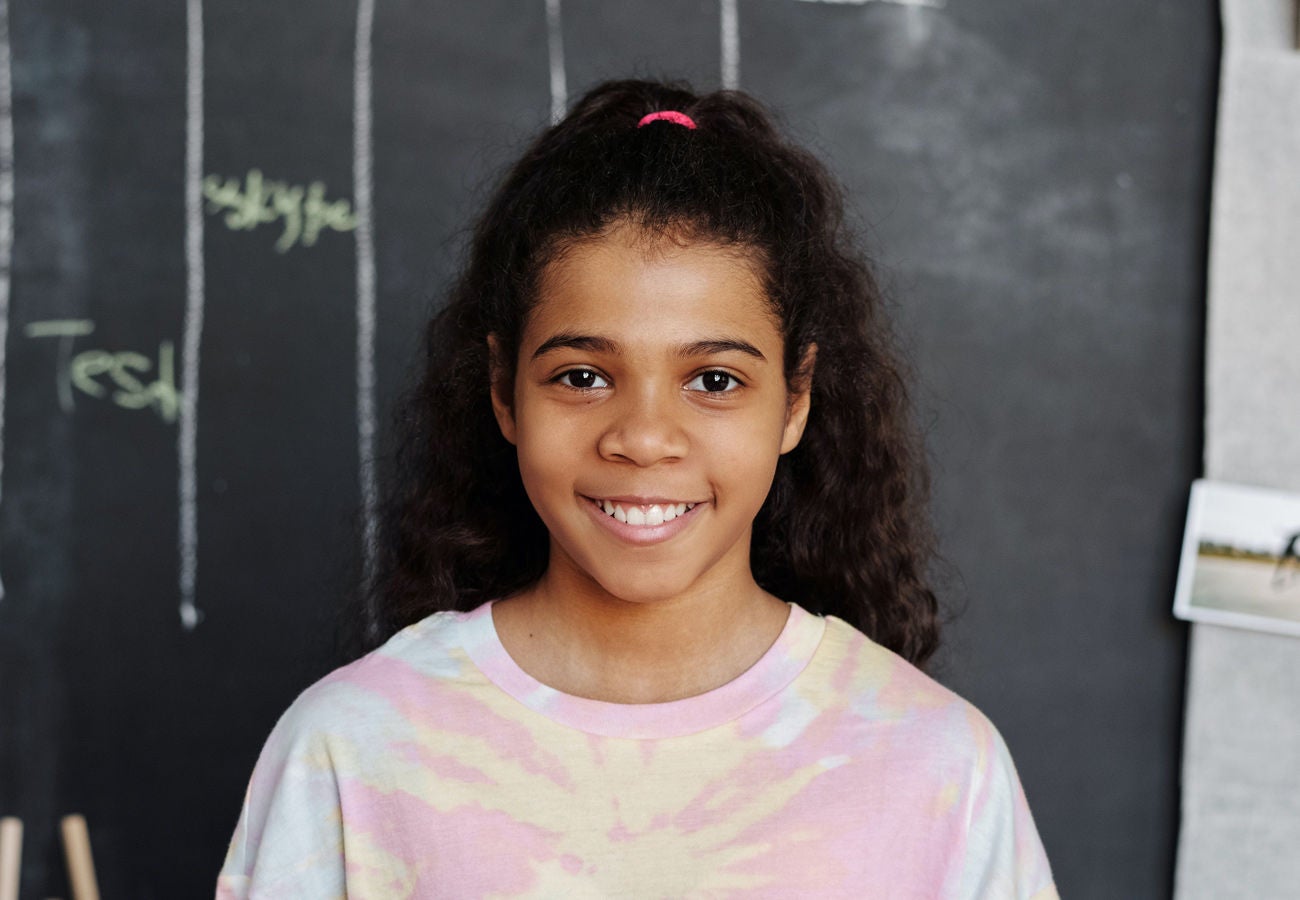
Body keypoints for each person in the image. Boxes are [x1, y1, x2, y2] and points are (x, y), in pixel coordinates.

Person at [216, 79, 1057, 898]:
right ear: (504, 392)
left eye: (716, 381)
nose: (644, 437)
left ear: (796, 401)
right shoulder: (355, 750)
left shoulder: (937, 769)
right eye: (582, 375)